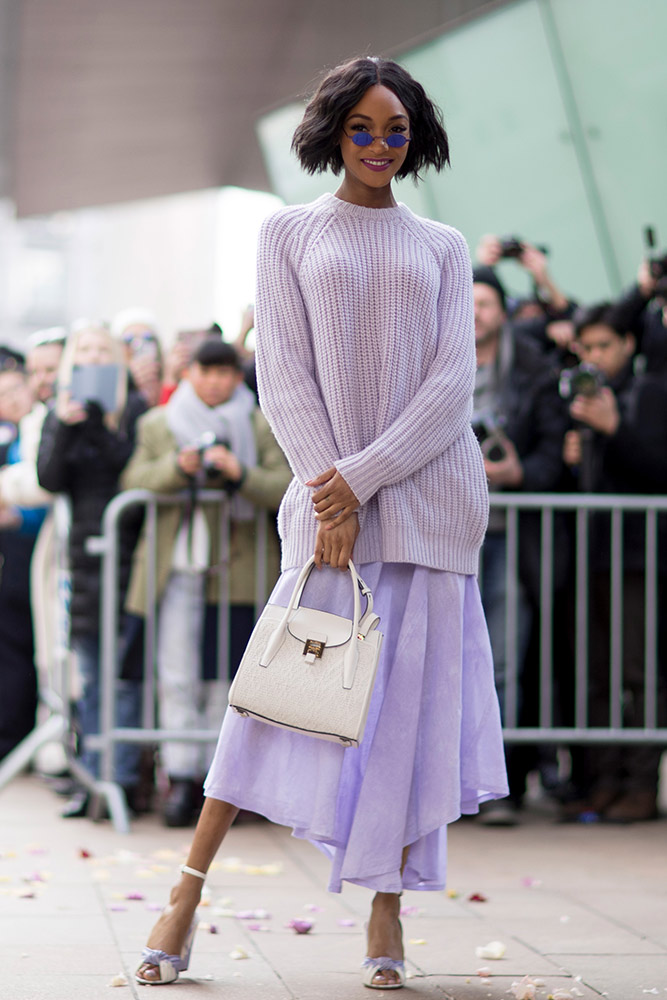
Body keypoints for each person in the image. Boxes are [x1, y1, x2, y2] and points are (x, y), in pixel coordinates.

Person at [135, 56, 507, 989]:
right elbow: (284, 374)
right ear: (333, 131)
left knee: (403, 728)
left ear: (414, 136)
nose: (381, 145)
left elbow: (449, 385)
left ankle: (385, 918)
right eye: (363, 128)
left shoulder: (444, 245)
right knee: (271, 709)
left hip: (426, 508)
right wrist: (324, 491)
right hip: (328, 510)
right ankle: (183, 893)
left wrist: (356, 484)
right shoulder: (288, 232)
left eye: (396, 129)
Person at [121, 338, 290, 827]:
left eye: (225, 372)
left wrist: (239, 474)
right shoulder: (159, 422)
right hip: (175, 568)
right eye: (206, 371)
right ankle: (182, 780)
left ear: (238, 377)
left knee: (225, 681)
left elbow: (284, 485)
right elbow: (133, 478)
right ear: (190, 372)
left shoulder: (261, 423)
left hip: (236, 570)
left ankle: (223, 788)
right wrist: (179, 468)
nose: (216, 381)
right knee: (176, 677)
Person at [561, 304, 667, 822]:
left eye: (604, 346)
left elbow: (656, 466)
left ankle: (642, 784)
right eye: (587, 348)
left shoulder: (649, 392)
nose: (595, 358)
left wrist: (615, 428)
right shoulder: (583, 398)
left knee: (637, 670)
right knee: (595, 670)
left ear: (629, 343)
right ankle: (602, 779)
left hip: (640, 554)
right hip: (593, 552)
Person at [36, 322, 147, 817]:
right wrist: (65, 424)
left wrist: (102, 425)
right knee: (88, 670)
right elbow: (49, 477)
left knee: (122, 671)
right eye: (85, 351)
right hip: (83, 556)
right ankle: (92, 776)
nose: (94, 357)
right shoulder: (59, 414)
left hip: (128, 553)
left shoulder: (135, 410)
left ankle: (119, 777)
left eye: (103, 350)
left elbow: (131, 471)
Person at [471, 266, 568, 824]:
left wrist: (514, 475)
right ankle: (446, 786)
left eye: (486, 302)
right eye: (468, 301)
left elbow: (552, 456)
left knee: (503, 660)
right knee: (445, 661)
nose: (476, 312)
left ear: (503, 311)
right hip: (446, 534)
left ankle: (494, 787)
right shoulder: (434, 357)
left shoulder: (531, 371)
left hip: (511, 534)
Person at [0, 356, 48, 761]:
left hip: (33, 551)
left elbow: (35, 493)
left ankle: (16, 740)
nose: (11, 399)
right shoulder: (17, 434)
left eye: (15, 389)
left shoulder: (37, 427)